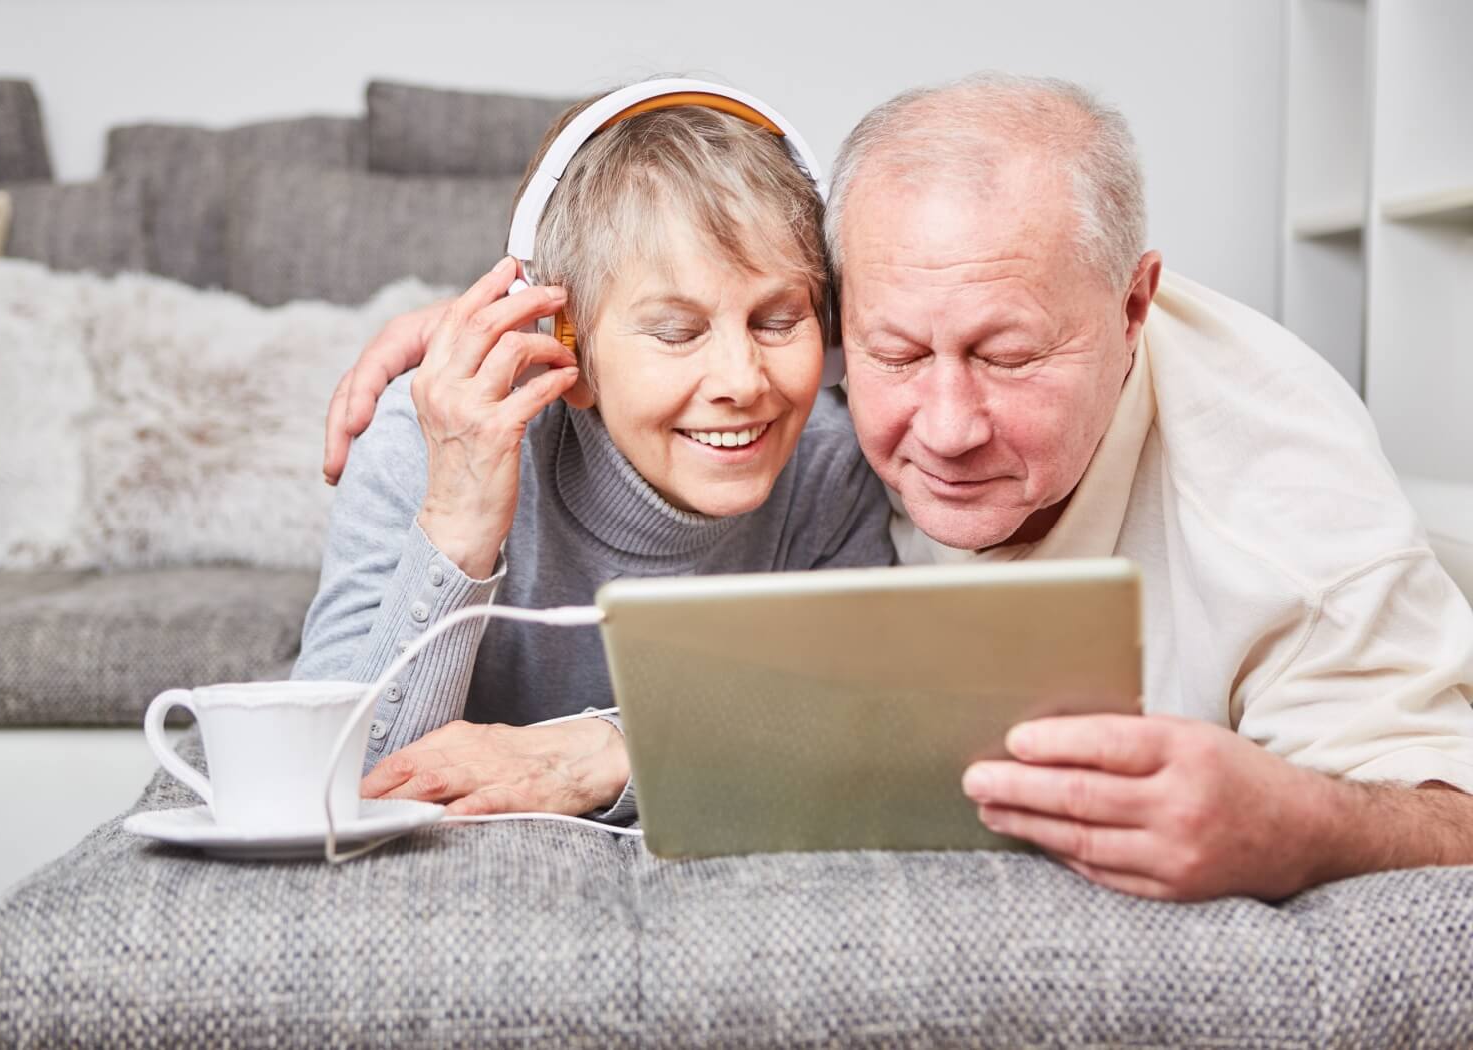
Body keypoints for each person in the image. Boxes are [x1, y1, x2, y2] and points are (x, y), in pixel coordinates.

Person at [321, 73, 1473, 901]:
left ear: (1132, 309)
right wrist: (496, 392)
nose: (949, 430)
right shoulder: (793, 393)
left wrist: (1296, 823)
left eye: (1009, 357)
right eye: (895, 351)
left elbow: (1451, 811)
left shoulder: (1276, 494)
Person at [292, 86, 895, 824]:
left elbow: (865, 726)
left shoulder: (832, 466)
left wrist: (618, 749)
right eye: (677, 333)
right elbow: (335, 781)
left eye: (777, 320)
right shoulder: (429, 439)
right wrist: (459, 523)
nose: (743, 381)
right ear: (565, 344)